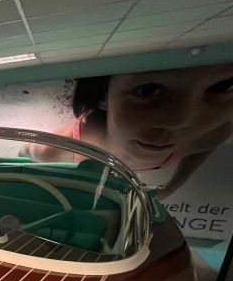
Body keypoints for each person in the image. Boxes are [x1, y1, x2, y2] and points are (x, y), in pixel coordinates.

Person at [20, 64, 233, 198]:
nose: (180, 123)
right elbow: (23, 154)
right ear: (103, 96)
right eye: (148, 90)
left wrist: (171, 187)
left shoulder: (211, 134)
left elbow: (205, 148)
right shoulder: (54, 149)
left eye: (221, 88)